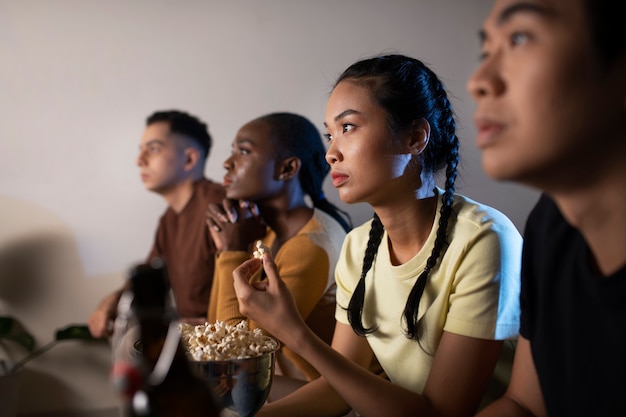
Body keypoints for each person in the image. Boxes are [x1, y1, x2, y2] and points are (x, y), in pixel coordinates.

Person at [231, 54, 523, 417]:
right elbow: (340, 389)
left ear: (415, 137)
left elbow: (442, 413)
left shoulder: (483, 239)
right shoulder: (359, 247)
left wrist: (294, 333)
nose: (331, 153)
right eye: (329, 134)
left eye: (348, 128)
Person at [467, 1, 626, 416]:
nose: (479, 81)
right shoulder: (551, 224)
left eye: (519, 37)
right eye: (487, 51)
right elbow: (525, 404)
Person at [205, 112, 351, 387]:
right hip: (278, 382)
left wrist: (231, 251)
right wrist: (225, 247)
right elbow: (215, 327)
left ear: (287, 169)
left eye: (244, 151)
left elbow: (234, 359)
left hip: (325, 394)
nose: (227, 163)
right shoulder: (269, 235)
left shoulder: (310, 247)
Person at [88, 110, 225, 338]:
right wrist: (111, 302)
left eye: (153, 149)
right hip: (193, 347)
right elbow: (148, 276)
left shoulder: (221, 207)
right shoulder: (169, 220)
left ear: (189, 159)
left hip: (226, 352)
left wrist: (211, 326)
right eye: (141, 151)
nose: (139, 161)